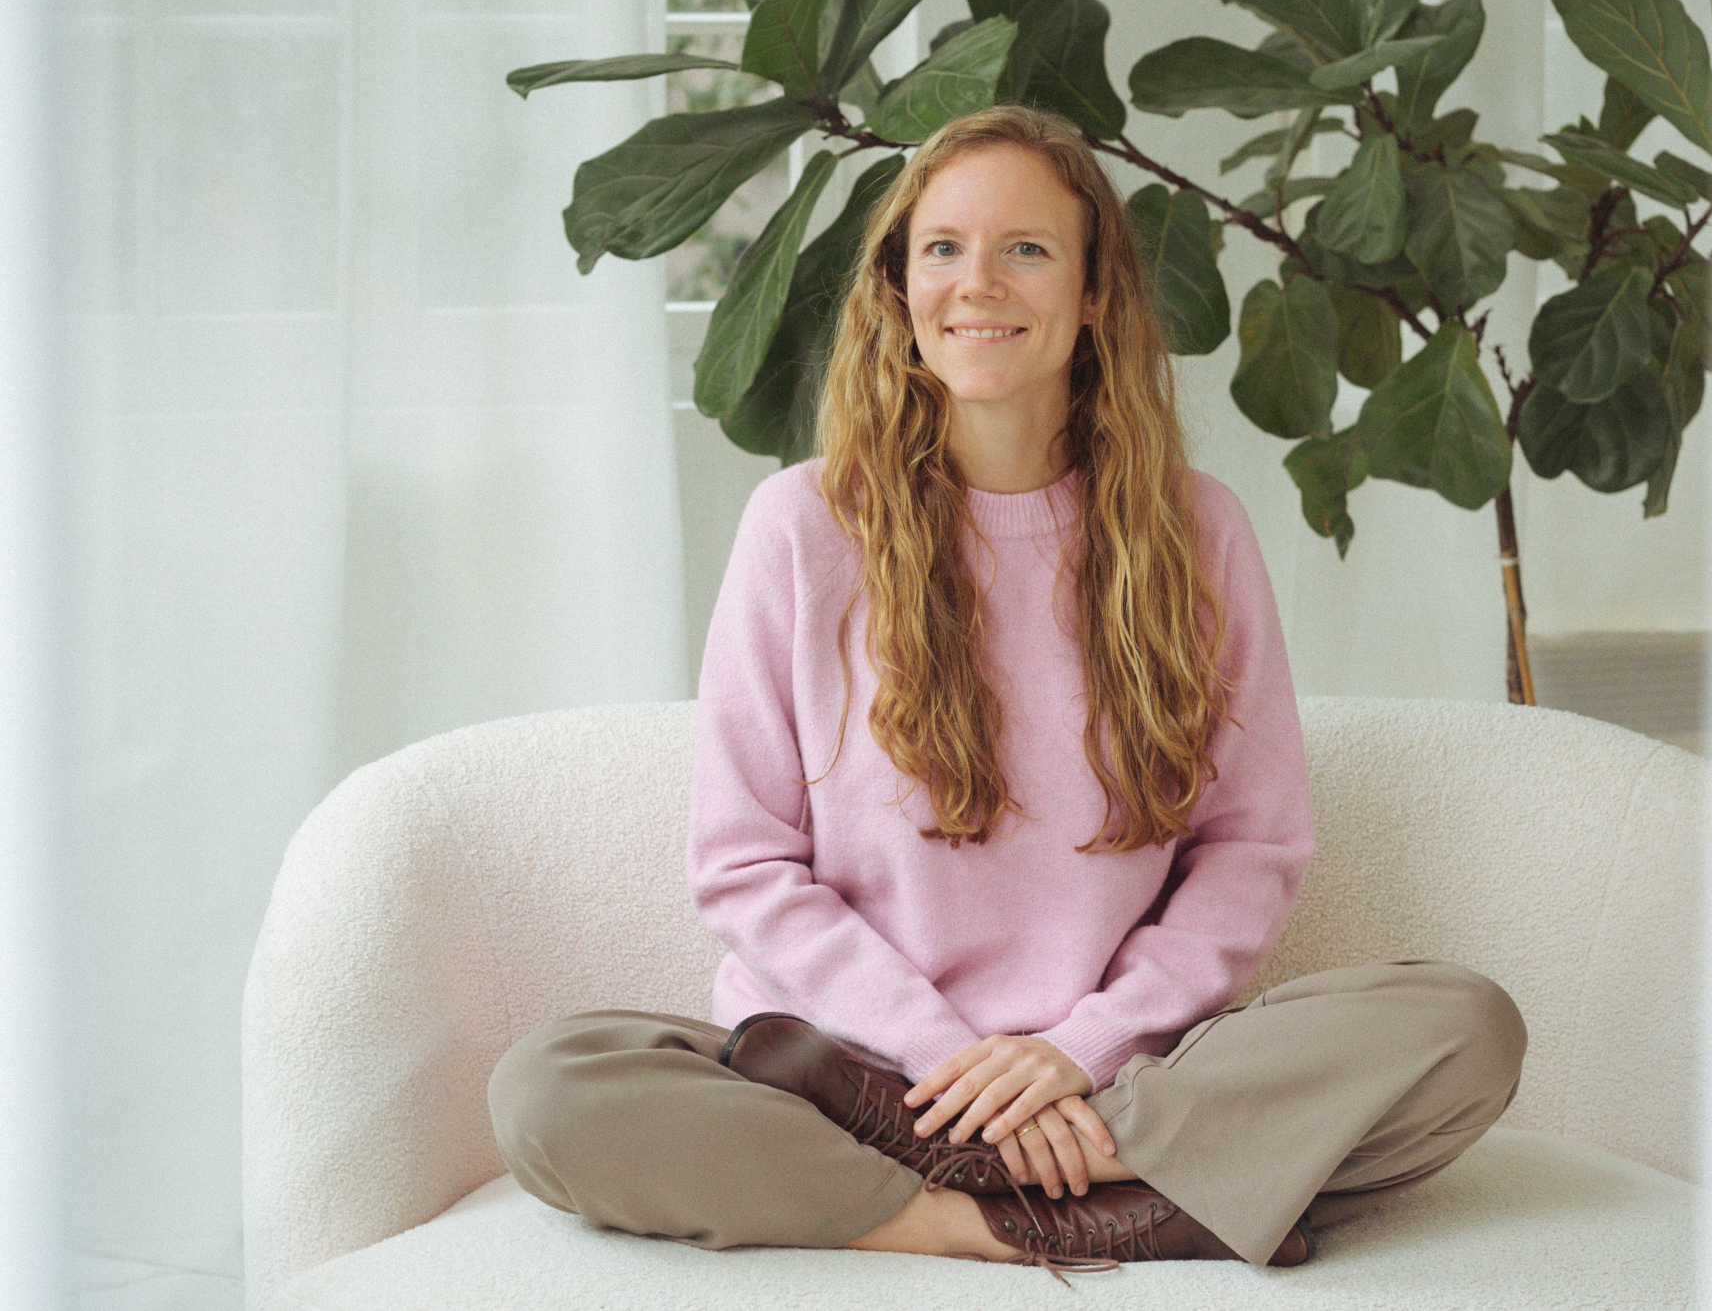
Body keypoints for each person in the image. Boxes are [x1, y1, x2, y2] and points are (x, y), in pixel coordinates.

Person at [487, 105, 1527, 1277]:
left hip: (1112, 1077)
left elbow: (1249, 847)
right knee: (551, 1089)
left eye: (1024, 248)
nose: (975, 283)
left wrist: (1072, 1053)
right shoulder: (800, 527)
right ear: (898, 289)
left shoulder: (1196, 531)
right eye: (941, 248)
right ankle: (1030, 1213)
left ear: (1091, 294)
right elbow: (743, 863)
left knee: (1460, 1029)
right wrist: (942, 1058)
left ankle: (958, 1185)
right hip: (847, 1074)